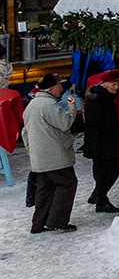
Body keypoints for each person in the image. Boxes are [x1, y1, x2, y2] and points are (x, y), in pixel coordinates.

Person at [24, 73, 80, 233]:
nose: (62, 88)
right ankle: (57, 220)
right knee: (67, 183)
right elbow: (64, 123)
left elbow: (24, 132)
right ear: (50, 88)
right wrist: (71, 107)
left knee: (45, 188)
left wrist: (32, 151)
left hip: (39, 158)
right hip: (56, 157)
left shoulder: (31, 106)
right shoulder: (49, 105)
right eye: (59, 85)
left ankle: (38, 223)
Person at [81, 72, 119, 212]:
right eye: (114, 84)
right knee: (105, 170)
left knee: (113, 167)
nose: (116, 87)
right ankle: (101, 198)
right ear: (105, 84)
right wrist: (95, 146)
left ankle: (99, 194)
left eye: (118, 84)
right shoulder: (98, 99)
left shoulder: (111, 96)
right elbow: (94, 125)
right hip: (103, 142)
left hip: (111, 140)